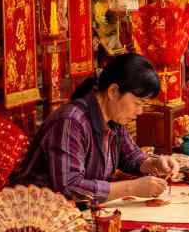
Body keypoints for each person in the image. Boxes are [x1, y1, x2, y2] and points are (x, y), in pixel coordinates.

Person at [12, 54, 175, 202]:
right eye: (138, 103)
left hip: (78, 213)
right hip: (36, 214)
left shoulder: (115, 118)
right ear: (113, 91)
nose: (139, 112)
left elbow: (130, 156)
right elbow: (69, 188)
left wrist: (154, 163)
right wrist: (132, 187)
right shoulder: (70, 122)